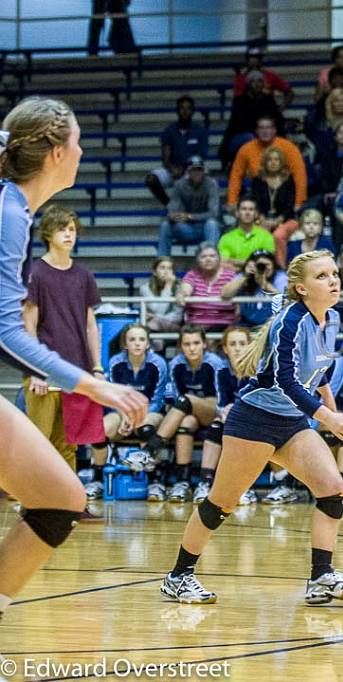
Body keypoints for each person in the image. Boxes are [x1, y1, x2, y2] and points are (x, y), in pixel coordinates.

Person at [0, 98, 147, 622]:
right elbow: (7, 332)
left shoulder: (13, 207)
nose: (84, 150)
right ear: (58, 153)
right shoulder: (10, 213)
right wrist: (95, 386)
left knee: (61, 499)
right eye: (79, 141)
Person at [160, 250, 343, 606]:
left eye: (334, 274)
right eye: (322, 276)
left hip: (294, 422)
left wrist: (332, 413)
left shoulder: (331, 319)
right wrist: (327, 418)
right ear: (301, 288)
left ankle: (321, 577)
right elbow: (284, 380)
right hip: (254, 420)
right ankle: (179, 576)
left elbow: (319, 377)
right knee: (220, 504)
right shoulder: (290, 322)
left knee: (332, 489)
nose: (333, 280)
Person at [23, 205, 105, 473]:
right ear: (48, 233)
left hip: (76, 372)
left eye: (72, 230)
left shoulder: (84, 275)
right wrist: (34, 370)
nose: (69, 235)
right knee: (38, 441)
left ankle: (67, 506)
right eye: (62, 229)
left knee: (68, 444)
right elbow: (28, 324)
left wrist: (97, 367)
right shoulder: (35, 273)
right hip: (43, 372)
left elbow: (91, 326)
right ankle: (33, 504)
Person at [134, 325, 223, 503]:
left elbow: (221, 399)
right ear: (181, 346)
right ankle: (183, 482)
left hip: (214, 412)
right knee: (185, 424)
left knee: (186, 400)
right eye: (187, 344)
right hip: (189, 414)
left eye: (196, 343)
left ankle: (151, 450)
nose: (192, 348)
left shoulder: (214, 363)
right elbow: (171, 398)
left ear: (204, 344)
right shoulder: (176, 364)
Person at [87, 324, 168, 500]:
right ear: (125, 344)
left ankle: (155, 481)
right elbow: (114, 396)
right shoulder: (116, 362)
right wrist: (125, 415)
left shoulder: (158, 364)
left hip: (151, 412)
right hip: (122, 411)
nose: (137, 344)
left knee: (145, 428)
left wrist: (135, 416)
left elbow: (157, 399)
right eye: (132, 339)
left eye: (141, 339)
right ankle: (98, 479)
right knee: (99, 430)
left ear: (148, 344)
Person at [192, 326, 258, 506]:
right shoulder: (221, 369)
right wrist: (225, 411)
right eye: (233, 344)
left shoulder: (258, 369)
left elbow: (259, 401)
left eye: (242, 344)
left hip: (256, 417)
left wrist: (237, 410)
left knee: (245, 430)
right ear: (225, 349)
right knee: (216, 427)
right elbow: (221, 401)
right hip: (230, 416)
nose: (237, 348)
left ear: (250, 346)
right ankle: (205, 483)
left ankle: (246, 487)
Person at [226, 117, 306, 213]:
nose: (265, 131)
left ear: (274, 130)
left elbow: (300, 175)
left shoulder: (289, 148)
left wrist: (298, 202)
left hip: (285, 194)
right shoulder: (246, 149)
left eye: (268, 127)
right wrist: (232, 201)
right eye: (261, 128)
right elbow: (236, 176)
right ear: (256, 131)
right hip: (259, 193)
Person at [146, 96, 208, 205]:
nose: (185, 111)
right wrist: (172, 169)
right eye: (182, 108)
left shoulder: (200, 131)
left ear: (193, 111)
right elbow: (165, 158)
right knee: (151, 179)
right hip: (173, 169)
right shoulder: (170, 130)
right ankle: (169, 205)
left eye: (188, 108)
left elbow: (200, 157)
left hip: (193, 169)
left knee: (199, 176)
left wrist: (186, 169)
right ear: (177, 111)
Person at [218, 74, 286, 168]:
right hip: (243, 136)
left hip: (263, 135)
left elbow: (277, 122)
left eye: (260, 81)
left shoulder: (269, 100)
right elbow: (235, 125)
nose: (257, 84)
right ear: (248, 84)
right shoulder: (240, 101)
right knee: (252, 139)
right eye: (254, 81)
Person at [157, 156, 220, 256]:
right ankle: (162, 263)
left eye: (199, 169)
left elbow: (213, 213)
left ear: (204, 171)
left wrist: (190, 216)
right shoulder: (179, 185)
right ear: (188, 171)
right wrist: (174, 216)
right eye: (193, 169)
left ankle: (212, 259)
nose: (196, 172)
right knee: (165, 225)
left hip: (204, 228)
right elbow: (173, 209)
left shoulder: (211, 184)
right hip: (185, 228)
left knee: (212, 223)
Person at [250, 147, 299, 266]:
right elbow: (254, 202)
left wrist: (277, 221)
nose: (273, 162)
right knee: (258, 233)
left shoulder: (289, 180)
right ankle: (260, 266)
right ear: (265, 162)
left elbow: (290, 206)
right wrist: (262, 219)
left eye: (276, 159)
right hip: (262, 219)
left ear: (281, 162)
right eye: (269, 160)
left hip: (286, 219)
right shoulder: (258, 180)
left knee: (278, 235)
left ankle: (281, 268)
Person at [178, 244, 238, 330]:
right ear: (198, 260)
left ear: (219, 259)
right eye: (203, 256)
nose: (208, 259)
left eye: (212, 256)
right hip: (196, 328)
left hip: (224, 326)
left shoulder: (230, 276)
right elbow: (185, 289)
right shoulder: (192, 274)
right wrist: (182, 294)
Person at [221, 250, 284, 328]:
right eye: (259, 265)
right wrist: (246, 276)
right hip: (246, 324)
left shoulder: (280, 276)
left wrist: (264, 284)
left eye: (267, 264)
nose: (263, 268)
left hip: (272, 325)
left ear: (273, 265)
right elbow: (225, 294)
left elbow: (285, 299)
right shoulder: (244, 275)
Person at [217, 196, 275, 271]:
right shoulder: (226, 238)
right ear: (237, 213)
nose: (247, 212)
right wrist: (246, 267)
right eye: (244, 209)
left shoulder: (266, 236)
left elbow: (265, 263)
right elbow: (222, 262)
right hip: (234, 277)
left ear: (256, 214)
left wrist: (233, 261)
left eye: (251, 209)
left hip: (259, 276)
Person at [141, 256, 184, 334]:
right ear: (154, 272)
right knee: (155, 333)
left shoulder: (179, 287)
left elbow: (178, 317)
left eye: (169, 268)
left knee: (154, 323)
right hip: (155, 327)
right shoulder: (145, 288)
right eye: (162, 268)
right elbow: (160, 311)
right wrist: (168, 286)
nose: (166, 272)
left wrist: (156, 316)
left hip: (175, 327)